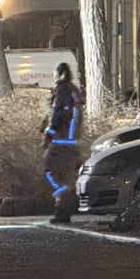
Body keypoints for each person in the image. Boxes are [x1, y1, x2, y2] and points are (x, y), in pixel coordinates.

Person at [42, 61, 84, 223]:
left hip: (61, 140)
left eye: (55, 73)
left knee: (50, 172)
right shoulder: (74, 90)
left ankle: (63, 201)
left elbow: (58, 115)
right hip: (72, 140)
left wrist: (49, 134)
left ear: (59, 74)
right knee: (66, 174)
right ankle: (66, 208)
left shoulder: (62, 91)